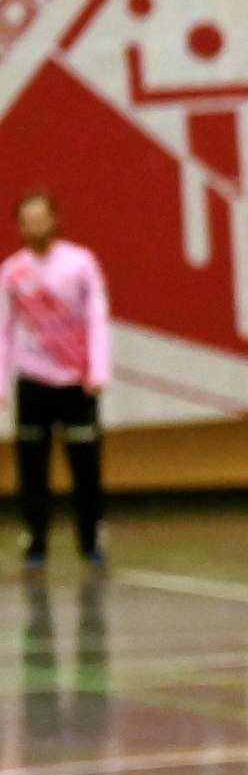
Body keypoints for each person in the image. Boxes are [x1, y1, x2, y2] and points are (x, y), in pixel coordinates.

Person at [0, 192, 111, 569]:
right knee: (32, 467)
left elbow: (97, 315)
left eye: (41, 217)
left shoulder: (80, 262)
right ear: (20, 226)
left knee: (85, 465)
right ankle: (35, 540)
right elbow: (4, 328)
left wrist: (97, 368)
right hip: (33, 381)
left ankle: (91, 538)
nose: (36, 226)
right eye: (27, 220)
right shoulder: (13, 271)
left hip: (75, 382)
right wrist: (3, 382)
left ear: (54, 219)